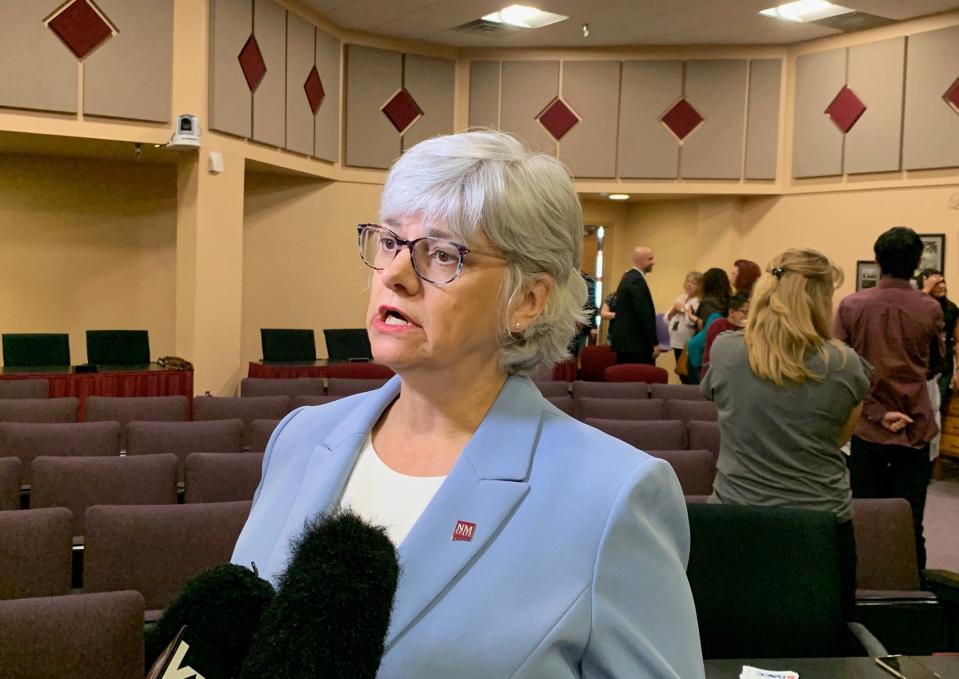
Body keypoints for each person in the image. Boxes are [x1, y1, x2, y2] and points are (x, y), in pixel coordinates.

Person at [231, 131, 704, 678]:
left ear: (527, 300)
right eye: (389, 241)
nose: (395, 275)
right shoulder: (300, 437)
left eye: (441, 254)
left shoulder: (612, 497)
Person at [702, 249, 870, 618]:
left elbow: (727, 413)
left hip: (736, 517)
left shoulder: (726, 351)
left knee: (734, 636)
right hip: (819, 527)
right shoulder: (844, 363)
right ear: (821, 299)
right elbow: (839, 437)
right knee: (821, 642)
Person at [835, 226, 945, 574]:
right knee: (910, 520)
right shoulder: (930, 308)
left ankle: (859, 591)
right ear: (916, 264)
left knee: (862, 513)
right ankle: (913, 596)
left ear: (878, 261)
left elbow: (840, 368)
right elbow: (936, 365)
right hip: (913, 425)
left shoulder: (851, 305)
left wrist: (878, 411)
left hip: (866, 425)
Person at [610, 246, 660, 364]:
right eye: (650, 259)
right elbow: (643, 315)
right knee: (639, 380)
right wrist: (653, 342)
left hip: (627, 345)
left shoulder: (628, 277)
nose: (653, 262)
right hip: (635, 346)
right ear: (641, 261)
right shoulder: (636, 281)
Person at [701, 291, 749, 369]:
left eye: (749, 312)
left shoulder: (745, 328)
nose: (747, 316)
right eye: (744, 312)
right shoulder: (718, 325)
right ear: (731, 312)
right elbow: (721, 352)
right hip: (714, 370)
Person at [666, 271, 703, 362]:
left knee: (686, 373)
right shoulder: (682, 297)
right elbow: (667, 318)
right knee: (680, 371)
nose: (689, 285)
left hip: (688, 342)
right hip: (676, 341)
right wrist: (674, 310)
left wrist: (683, 310)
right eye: (688, 282)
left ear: (700, 286)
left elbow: (693, 322)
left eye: (693, 283)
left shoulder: (699, 301)